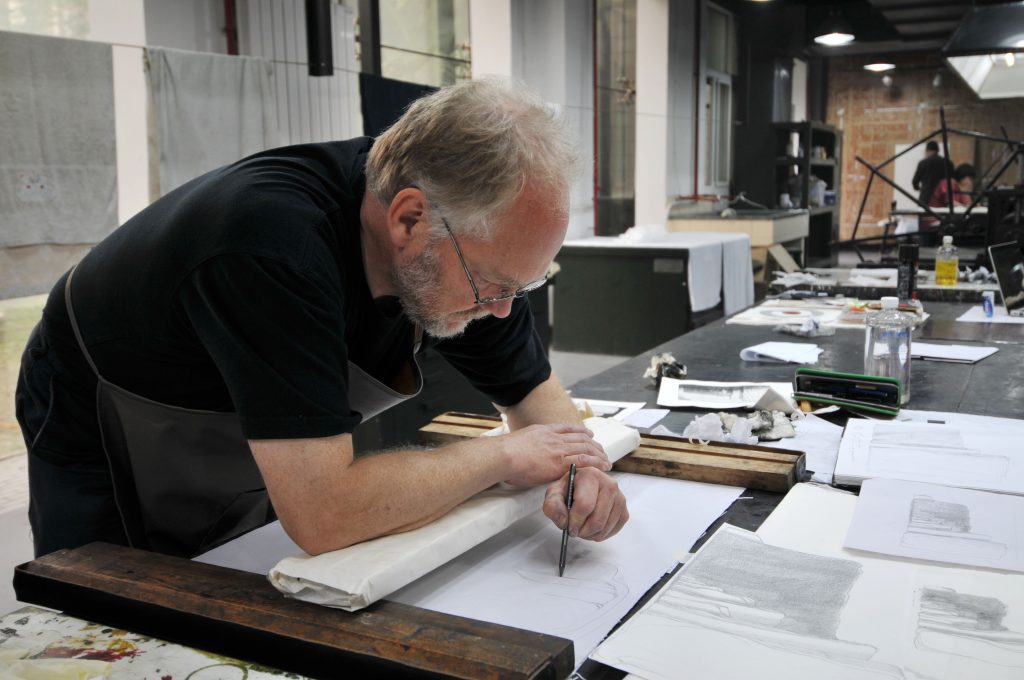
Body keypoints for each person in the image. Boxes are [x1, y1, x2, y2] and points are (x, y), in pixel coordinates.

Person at [15, 79, 629, 559]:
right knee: (116, 608)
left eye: (521, 288)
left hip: (231, 398)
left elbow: (530, 389)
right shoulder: (273, 248)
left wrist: (581, 470)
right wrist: (504, 457)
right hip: (108, 402)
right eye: (493, 285)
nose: (500, 309)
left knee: (247, 556)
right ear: (409, 220)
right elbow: (325, 516)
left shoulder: (470, 237)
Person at [911, 140, 954, 207]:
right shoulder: (948, 163)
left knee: (925, 217)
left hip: (926, 199)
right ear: (937, 150)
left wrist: (919, 188)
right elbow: (953, 180)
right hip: (942, 199)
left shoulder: (923, 163)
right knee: (941, 217)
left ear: (927, 150)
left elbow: (915, 182)